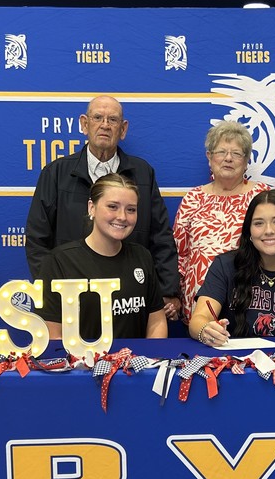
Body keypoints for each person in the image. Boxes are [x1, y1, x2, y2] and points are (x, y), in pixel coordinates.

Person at [25, 95, 182, 320]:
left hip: (131, 300)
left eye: (113, 120)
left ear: (123, 128)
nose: (105, 125)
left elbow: (161, 236)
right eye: (98, 117)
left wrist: (167, 291)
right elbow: (37, 238)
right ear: (84, 124)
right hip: (72, 300)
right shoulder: (56, 173)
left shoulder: (143, 173)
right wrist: (53, 290)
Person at [37, 173, 168, 342]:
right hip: (82, 367)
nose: (122, 216)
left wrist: (150, 360)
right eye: (113, 206)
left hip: (134, 367)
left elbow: (156, 321)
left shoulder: (142, 256)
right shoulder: (59, 261)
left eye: (131, 209)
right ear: (92, 207)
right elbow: (53, 335)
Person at [189, 189, 275, 346]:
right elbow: (198, 320)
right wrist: (205, 330)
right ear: (249, 232)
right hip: (231, 364)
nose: (268, 231)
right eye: (259, 223)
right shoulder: (224, 266)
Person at [172, 121, 270, 325]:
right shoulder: (192, 199)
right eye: (221, 151)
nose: (228, 158)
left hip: (249, 302)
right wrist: (174, 295)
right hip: (198, 308)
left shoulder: (263, 196)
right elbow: (179, 255)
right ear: (209, 157)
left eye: (237, 153)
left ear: (246, 160)